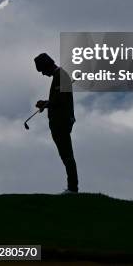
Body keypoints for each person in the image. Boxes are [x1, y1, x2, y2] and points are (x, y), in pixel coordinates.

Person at [34, 52, 79, 194]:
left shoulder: (61, 76)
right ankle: (72, 187)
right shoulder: (59, 76)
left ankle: (72, 188)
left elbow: (61, 101)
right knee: (65, 155)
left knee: (66, 155)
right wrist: (47, 103)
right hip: (60, 121)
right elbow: (59, 99)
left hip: (61, 122)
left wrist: (46, 104)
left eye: (42, 70)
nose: (42, 74)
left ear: (47, 66)